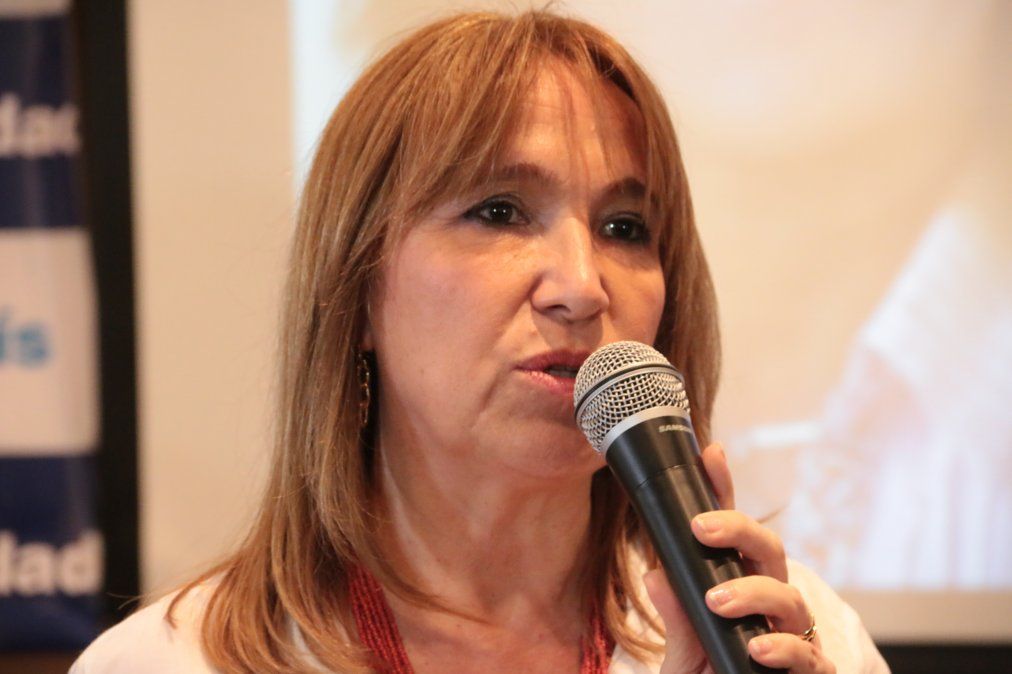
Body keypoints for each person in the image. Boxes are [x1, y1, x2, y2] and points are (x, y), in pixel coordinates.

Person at [72, 10, 887, 674]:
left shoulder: (799, 640)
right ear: (357, 290)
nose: (582, 285)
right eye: (499, 212)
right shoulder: (169, 663)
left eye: (625, 227)